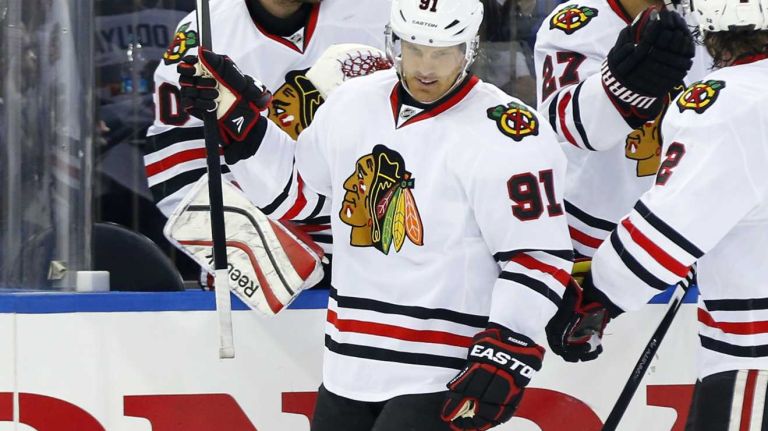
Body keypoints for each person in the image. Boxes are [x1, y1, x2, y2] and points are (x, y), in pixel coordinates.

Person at [178, 0, 575, 429]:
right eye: (414, 48)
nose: (426, 66)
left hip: (441, 368)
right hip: (347, 365)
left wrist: (508, 343)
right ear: (393, 41)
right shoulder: (351, 104)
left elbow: (537, 255)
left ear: (469, 48)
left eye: (443, 51)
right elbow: (298, 197)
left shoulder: (509, 134)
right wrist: (241, 124)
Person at [548, 0, 768, 428]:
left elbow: (667, 229)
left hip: (755, 350)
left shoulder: (731, 103)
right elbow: (567, 122)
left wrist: (596, 299)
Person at [143, 0, 391, 285]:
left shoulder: (385, 11)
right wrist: (276, 263)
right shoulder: (204, 32)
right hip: (265, 276)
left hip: (376, 255)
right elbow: (177, 175)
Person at [533, 0, 708, 259]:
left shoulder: (711, 18)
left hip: (691, 233)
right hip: (590, 235)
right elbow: (564, 121)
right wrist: (622, 89)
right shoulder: (576, 21)